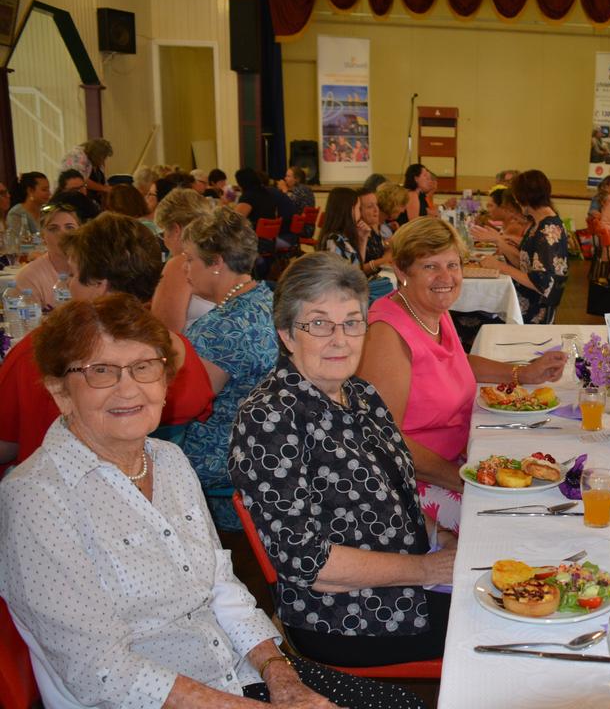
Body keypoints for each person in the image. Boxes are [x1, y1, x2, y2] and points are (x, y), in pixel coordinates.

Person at [0, 293, 423, 708]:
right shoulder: (37, 497)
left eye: (144, 367)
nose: (128, 389)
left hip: (233, 674)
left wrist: (280, 674)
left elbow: (220, 585)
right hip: (149, 701)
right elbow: (99, 671)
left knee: (403, 705)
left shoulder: (167, 460)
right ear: (59, 390)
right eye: (102, 372)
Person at [229, 253, 456, 670]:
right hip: (344, 616)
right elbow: (305, 561)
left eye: (352, 322)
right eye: (318, 324)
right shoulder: (270, 418)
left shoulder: (361, 394)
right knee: (504, 625)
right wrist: (426, 569)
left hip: (411, 578)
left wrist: (441, 537)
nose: (340, 339)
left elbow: (394, 498)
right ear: (287, 334)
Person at [358, 219, 567, 531]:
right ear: (402, 272)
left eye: (453, 264)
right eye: (430, 266)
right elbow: (384, 440)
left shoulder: (430, 311)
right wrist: (466, 480)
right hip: (410, 483)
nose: (446, 277)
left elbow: (455, 361)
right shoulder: (388, 335)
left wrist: (523, 374)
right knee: (522, 521)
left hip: (456, 457)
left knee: (552, 478)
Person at [0, 213, 214, 470]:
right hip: (154, 482)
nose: (68, 284)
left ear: (100, 284)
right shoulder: (179, 348)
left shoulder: (46, 351)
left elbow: (6, 444)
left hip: (65, 491)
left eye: (73, 274)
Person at [179, 208, 276, 529]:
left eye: (189, 258)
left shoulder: (218, 330)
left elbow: (183, 407)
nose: (184, 268)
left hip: (228, 457)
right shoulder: (271, 300)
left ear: (217, 262)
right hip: (273, 447)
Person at [477, 169, 569, 324]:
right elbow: (525, 263)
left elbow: (541, 283)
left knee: (467, 316)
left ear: (525, 197)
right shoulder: (539, 223)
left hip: (533, 309)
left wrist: (500, 266)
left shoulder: (548, 230)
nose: (517, 203)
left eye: (517, 198)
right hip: (525, 297)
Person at [151, 188, 216, 333]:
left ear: (175, 229)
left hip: (196, 352)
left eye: (163, 233)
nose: (164, 240)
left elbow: (164, 331)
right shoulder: (223, 255)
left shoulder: (182, 264)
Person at [15, 197, 79, 309]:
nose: (63, 234)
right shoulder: (29, 277)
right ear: (43, 237)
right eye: (53, 229)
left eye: (69, 227)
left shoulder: (96, 271)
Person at [316, 187, 387, 277]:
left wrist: (363, 239)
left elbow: (358, 267)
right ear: (350, 210)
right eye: (358, 208)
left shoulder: (342, 236)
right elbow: (349, 276)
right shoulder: (335, 240)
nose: (359, 213)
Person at [7, 171, 48, 242]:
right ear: (30, 191)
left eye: (48, 189)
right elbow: (16, 243)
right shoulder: (16, 213)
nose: (49, 193)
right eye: (44, 190)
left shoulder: (44, 212)